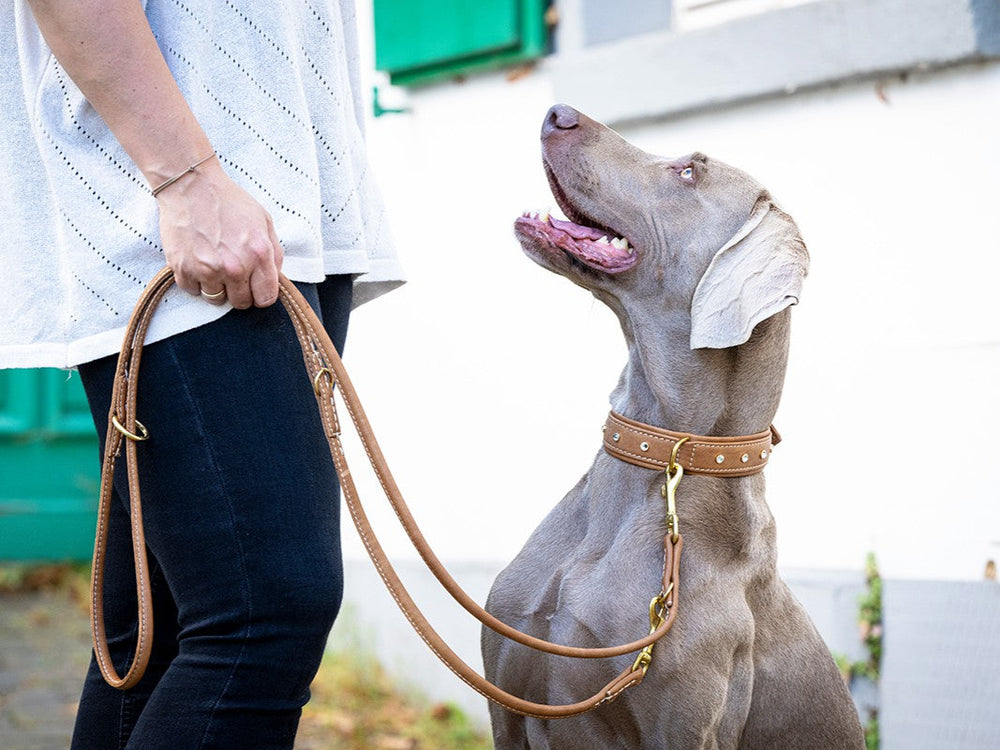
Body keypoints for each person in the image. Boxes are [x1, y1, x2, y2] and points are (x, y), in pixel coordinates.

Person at [0, 1, 404, 747]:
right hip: (186, 206)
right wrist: (185, 179)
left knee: (156, 633)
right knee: (263, 614)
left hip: (278, 204)